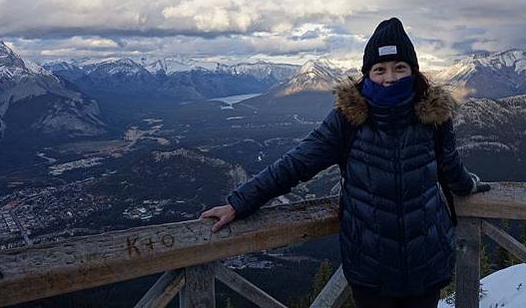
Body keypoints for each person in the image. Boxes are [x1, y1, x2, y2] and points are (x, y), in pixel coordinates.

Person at [199, 17, 491, 308]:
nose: (390, 77)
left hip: (426, 261)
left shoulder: (434, 117)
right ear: (367, 74)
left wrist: (469, 185)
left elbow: (450, 168)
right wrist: (240, 202)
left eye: (400, 67)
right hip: (371, 267)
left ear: (413, 71)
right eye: (380, 70)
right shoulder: (348, 120)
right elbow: (296, 164)